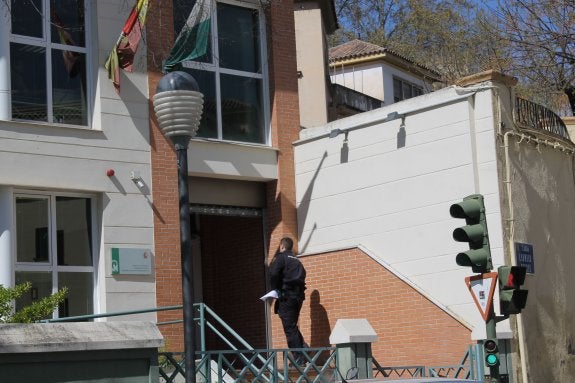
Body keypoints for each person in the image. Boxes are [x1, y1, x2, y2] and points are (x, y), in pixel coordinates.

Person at [269, 237, 307, 365]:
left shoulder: (281, 257)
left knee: (289, 327)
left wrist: (274, 288)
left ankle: (299, 357)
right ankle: (303, 348)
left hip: (287, 297)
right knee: (292, 325)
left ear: (282, 246)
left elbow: (273, 273)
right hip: (298, 297)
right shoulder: (297, 261)